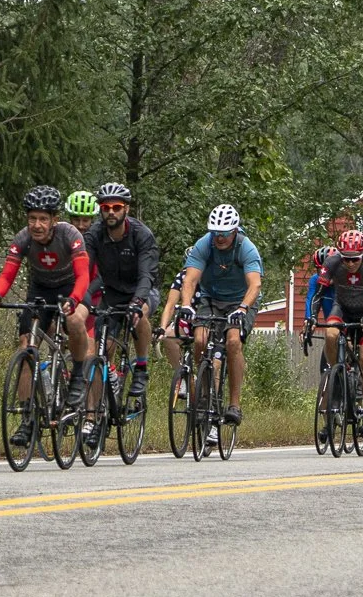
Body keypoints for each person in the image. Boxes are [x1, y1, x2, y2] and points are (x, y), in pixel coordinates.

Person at [0, 185, 92, 448]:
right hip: (40, 291)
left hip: (72, 289)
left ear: (55, 219)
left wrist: (74, 300)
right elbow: (7, 274)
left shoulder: (70, 234)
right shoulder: (22, 239)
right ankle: (27, 419)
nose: (37, 225)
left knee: (75, 320)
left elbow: (83, 276)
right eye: (32, 218)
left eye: (43, 219)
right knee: (27, 350)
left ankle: (78, 375)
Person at [177, 204, 263, 452]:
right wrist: (186, 305)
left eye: (224, 233)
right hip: (210, 300)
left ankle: (234, 404)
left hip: (240, 301)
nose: (220, 237)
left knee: (233, 341)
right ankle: (203, 388)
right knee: (200, 338)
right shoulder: (205, 244)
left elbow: (255, 285)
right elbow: (190, 278)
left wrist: (243, 308)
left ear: (235, 230)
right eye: (215, 232)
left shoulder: (245, 247)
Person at [84, 183, 160, 398]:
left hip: (143, 290)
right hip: (113, 292)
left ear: (126, 208)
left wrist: (136, 303)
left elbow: (147, 276)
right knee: (103, 349)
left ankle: (142, 367)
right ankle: (109, 386)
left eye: (116, 207)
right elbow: (85, 270)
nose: (110, 212)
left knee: (140, 314)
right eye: (105, 207)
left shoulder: (141, 235)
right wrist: (81, 296)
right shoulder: (95, 234)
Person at [309, 230, 363, 439]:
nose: (350, 264)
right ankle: (338, 375)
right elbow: (318, 293)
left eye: (354, 259)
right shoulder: (333, 263)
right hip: (341, 307)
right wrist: (311, 318)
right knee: (331, 335)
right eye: (346, 259)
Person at [301, 245, 337, 372]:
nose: (325, 276)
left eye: (328, 271)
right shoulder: (315, 281)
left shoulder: (346, 280)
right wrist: (308, 321)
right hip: (331, 327)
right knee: (325, 367)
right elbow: (311, 299)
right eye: (320, 271)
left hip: (348, 323)